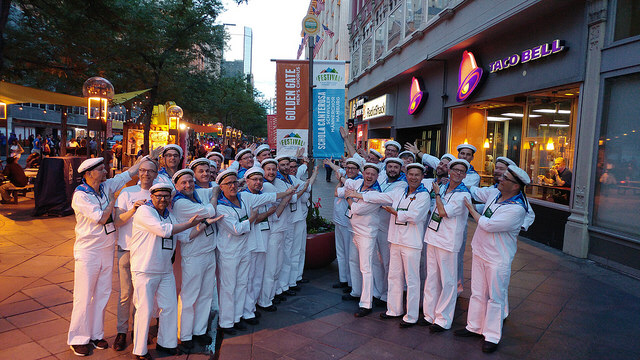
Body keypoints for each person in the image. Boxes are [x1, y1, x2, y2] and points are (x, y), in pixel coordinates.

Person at [67, 148, 161, 357]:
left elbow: (127, 175)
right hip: (88, 250)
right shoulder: (81, 195)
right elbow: (101, 217)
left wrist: (147, 159)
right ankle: (78, 338)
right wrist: (113, 199)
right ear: (89, 173)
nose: (105, 171)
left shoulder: (103, 187)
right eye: (101, 169)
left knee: (102, 293)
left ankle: (96, 334)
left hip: (106, 247)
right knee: (84, 295)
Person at [455, 165, 532, 354]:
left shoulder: (517, 209)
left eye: (505, 178)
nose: (500, 179)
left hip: (498, 258)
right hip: (481, 251)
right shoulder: (495, 195)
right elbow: (475, 190)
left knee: (496, 297)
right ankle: (473, 326)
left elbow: (488, 225)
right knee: (478, 292)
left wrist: (471, 209)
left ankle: (491, 336)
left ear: (515, 187)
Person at [129, 183, 211, 359]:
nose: (163, 199)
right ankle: (140, 350)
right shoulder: (145, 211)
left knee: (169, 307)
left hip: (165, 270)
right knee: (145, 310)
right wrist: (190, 223)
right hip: (145, 269)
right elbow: (164, 231)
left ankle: (166, 343)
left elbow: (184, 237)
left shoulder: (170, 215)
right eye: (159, 196)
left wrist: (203, 224)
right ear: (152, 197)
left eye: (166, 196)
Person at [215, 169, 296, 335]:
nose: (232, 186)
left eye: (234, 182)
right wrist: (251, 219)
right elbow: (237, 229)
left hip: (244, 248)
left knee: (242, 283)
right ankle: (226, 322)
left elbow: (265, 197)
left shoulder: (244, 197)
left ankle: (237, 317)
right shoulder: (221, 207)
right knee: (229, 287)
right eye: (228, 183)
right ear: (221, 187)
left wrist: (285, 193)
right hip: (229, 251)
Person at [349, 163, 431, 327]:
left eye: (417, 175)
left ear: (422, 177)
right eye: (410, 174)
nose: (413, 177)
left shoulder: (424, 195)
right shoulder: (399, 191)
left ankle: (412, 316)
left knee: (412, 280)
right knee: (394, 276)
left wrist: (396, 213)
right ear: (406, 175)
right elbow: (381, 197)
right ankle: (394, 310)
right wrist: (359, 195)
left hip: (411, 242)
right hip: (395, 239)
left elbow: (415, 216)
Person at [172, 168, 222, 350]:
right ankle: (185, 335)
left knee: (206, 294)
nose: (188, 185)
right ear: (176, 186)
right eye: (183, 183)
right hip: (193, 254)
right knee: (190, 295)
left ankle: (199, 331)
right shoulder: (180, 202)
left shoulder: (196, 194)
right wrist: (215, 195)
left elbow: (212, 189)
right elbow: (210, 211)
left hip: (208, 250)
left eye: (190, 181)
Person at [112, 158, 158, 351]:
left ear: (156, 174)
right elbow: (117, 221)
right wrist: (133, 209)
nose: (146, 174)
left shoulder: (159, 194)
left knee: (144, 295)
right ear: (138, 173)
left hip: (148, 252)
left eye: (150, 171)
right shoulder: (127, 193)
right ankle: (122, 332)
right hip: (127, 249)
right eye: (142, 170)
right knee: (125, 294)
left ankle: (140, 330)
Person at [422, 159, 472, 332]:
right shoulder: (443, 187)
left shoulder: (463, 195)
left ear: (465, 175)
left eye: (462, 171)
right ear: (449, 171)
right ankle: (429, 315)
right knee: (432, 278)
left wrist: (436, 195)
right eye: (455, 170)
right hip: (433, 236)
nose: (458, 173)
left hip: (448, 241)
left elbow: (442, 212)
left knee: (448, 282)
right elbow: (432, 209)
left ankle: (443, 320)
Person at [338, 163, 382, 318]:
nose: (369, 176)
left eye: (373, 174)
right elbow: (339, 191)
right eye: (367, 173)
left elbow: (356, 209)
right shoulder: (358, 183)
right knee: (353, 261)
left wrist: (349, 196)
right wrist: (348, 194)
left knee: (366, 268)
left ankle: (366, 303)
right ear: (363, 173)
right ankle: (356, 291)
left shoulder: (376, 193)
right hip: (355, 231)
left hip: (367, 234)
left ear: (377, 177)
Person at [258, 158, 296, 312]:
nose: (272, 172)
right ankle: (265, 300)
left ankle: (271, 294)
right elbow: (286, 198)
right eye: (269, 169)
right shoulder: (267, 186)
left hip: (280, 229)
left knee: (277, 265)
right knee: (271, 267)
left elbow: (290, 198)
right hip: (272, 231)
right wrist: (286, 196)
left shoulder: (276, 183)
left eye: (274, 170)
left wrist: (287, 196)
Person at [371, 157, 408, 307]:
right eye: (390, 166)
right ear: (385, 168)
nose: (392, 169)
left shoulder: (402, 184)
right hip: (374, 224)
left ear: (400, 170)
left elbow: (385, 199)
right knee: (375, 261)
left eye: (395, 167)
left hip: (388, 228)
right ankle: (377, 291)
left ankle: (386, 295)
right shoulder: (382, 180)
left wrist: (370, 197)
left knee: (387, 263)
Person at [325, 157, 362, 293]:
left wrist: (340, 180)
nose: (350, 170)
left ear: (358, 170)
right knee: (340, 252)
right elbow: (338, 171)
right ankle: (343, 279)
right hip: (339, 220)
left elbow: (338, 190)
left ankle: (352, 283)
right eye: (348, 168)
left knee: (349, 254)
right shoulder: (344, 176)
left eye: (353, 168)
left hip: (349, 223)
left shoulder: (359, 181)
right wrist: (329, 164)